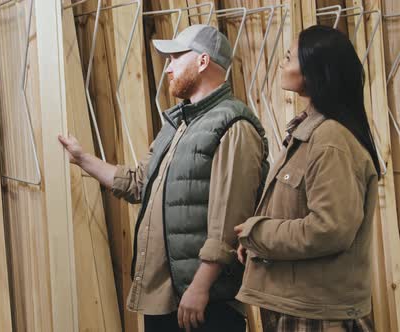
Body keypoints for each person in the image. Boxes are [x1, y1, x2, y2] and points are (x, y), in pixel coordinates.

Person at [59, 25, 268, 332]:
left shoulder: (234, 126)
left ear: (202, 61)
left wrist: (200, 287)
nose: (168, 68)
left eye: (176, 58)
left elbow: (229, 221)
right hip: (166, 296)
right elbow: (140, 183)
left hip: (203, 300)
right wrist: (82, 159)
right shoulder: (179, 124)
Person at [234, 25, 379, 332]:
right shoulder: (309, 133)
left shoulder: (330, 140)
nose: (281, 64)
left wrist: (258, 233)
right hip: (300, 306)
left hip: (318, 316)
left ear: (315, 70)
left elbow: (329, 229)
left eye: (289, 57)